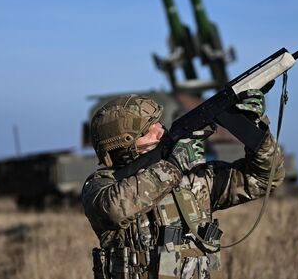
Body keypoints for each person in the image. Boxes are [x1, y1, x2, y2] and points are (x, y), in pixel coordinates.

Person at [82, 91, 284, 279]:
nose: (161, 130)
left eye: (158, 122)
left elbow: (264, 178)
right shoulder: (101, 185)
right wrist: (173, 166)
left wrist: (252, 128)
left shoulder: (193, 179)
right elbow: (114, 209)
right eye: (147, 130)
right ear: (123, 145)